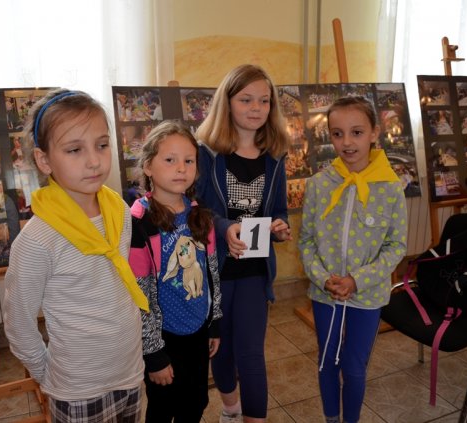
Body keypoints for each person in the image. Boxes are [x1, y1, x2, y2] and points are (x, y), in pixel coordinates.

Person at [2, 89, 148, 422]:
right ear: (44, 161)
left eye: (102, 145)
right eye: (74, 150)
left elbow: (119, 288)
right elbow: (19, 322)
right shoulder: (38, 240)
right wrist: (47, 373)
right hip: (78, 389)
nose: (94, 161)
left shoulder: (120, 211)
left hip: (129, 373)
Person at [298, 96, 407, 423]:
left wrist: (358, 280)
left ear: (374, 132)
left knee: (354, 366)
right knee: (327, 361)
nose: (347, 142)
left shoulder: (391, 188)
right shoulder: (319, 185)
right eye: (337, 133)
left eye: (356, 132)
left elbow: (396, 246)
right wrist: (323, 278)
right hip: (326, 293)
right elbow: (306, 240)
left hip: (368, 295)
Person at [195, 64, 292, 423]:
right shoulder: (206, 154)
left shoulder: (276, 156)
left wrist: (280, 227)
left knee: (251, 354)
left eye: (264, 101)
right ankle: (231, 409)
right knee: (221, 351)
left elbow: (278, 210)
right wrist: (223, 228)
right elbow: (195, 209)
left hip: (254, 269)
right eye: (246, 99)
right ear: (227, 102)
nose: (256, 108)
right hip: (216, 270)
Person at [129, 120, 222, 422]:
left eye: (189, 161)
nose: (181, 168)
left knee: (195, 403)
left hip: (197, 330)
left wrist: (214, 322)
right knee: (162, 409)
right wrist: (153, 352)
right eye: (170, 160)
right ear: (148, 166)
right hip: (163, 337)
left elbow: (211, 273)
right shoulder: (139, 223)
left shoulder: (200, 215)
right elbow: (139, 294)